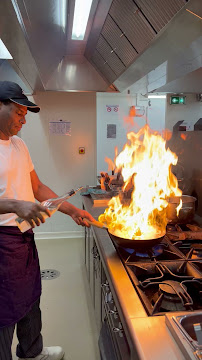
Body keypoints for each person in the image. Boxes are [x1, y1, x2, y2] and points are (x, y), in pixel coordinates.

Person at [0, 81, 95, 360]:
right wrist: (15, 205)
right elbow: (20, 199)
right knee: (4, 310)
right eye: (19, 112)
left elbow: (38, 188)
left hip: (24, 238)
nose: (23, 119)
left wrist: (72, 210)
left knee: (31, 298)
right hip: (2, 242)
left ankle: (33, 352)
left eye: (25, 114)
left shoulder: (19, 145)